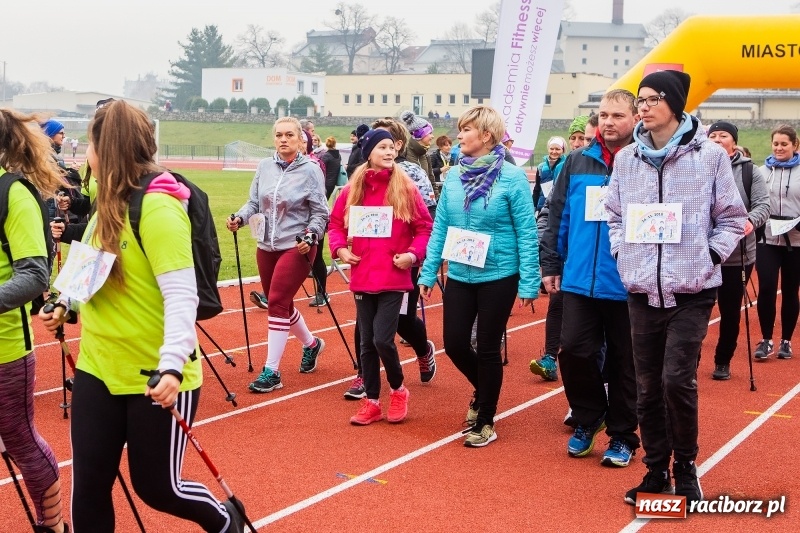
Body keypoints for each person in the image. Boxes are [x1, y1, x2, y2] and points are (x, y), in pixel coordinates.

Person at [39, 100, 245, 531]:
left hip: (157, 373)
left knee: (157, 488)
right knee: (90, 484)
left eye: (90, 145)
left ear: (105, 148)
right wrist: (63, 303)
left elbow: (181, 296)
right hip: (100, 368)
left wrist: (171, 364)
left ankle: (227, 523)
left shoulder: (157, 207)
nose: (84, 155)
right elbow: (87, 271)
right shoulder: (107, 204)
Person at [606, 70, 747, 505]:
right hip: (642, 287)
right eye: (640, 100)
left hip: (693, 287)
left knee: (675, 381)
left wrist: (710, 255)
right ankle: (655, 471)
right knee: (647, 385)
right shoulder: (628, 159)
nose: (643, 107)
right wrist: (621, 252)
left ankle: (685, 466)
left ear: (674, 103)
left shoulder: (709, 157)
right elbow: (613, 214)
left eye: (651, 100)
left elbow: (732, 217)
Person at [419, 105, 539, 447]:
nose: (459, 136)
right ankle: (484, 388)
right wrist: (429, 272)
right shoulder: (454, 175)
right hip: (459, 272)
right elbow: (441, 225)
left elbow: (527, 232)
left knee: (487, 348)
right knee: (455, 343)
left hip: (499, 275)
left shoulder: (513, 178)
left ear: (486, 135)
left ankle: (485, 417)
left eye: (465, 130)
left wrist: (529, 281)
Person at [539, 89, 641, 466]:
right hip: (580, 278)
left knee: (624, 362)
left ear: (635, 118)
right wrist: (550, 263)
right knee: (575, 351)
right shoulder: (577, 161)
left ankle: (623, 435)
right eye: (604, 115)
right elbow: (558, 213)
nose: (610, 122)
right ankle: (589, 415)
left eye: (618, 115)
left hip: (629, 281)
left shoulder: (644, 162)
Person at [329, 128, 433, 425]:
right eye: (382, 147)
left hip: (394, 277)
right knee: (366, 344)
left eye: (391, 147)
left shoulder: (405, 188)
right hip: (362, 276)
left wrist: (412, 254)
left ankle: (399, 389)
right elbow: (335, 224)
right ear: (369, 152)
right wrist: (340, 250)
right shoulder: (353, 189)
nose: (389, 152)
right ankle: (372, 401)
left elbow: (424, 227)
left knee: (383, 340)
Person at [0, 109, 69, 533]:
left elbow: (34, 275)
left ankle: (55, 526)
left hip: (5, 350)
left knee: (21, 442)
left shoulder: (13, 193)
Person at [228, 117, 329, 393]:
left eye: (289, 135)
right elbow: (253, 202)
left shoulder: (311, 170)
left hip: (297, 245)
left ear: (300, 139)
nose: (283, 140)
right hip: (266, 245)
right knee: (281, 303)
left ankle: (271, 371)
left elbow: (321, 211)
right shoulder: (264, 166)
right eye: (279, 135)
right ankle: (312, 344)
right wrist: (239, 217)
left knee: (275, 302)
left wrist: (311, 234)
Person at [706, 121, 769, 380]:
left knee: (730, 311)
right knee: (695, 310)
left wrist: (748, 222)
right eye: (713, 135)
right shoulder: (695, 167)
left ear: (734, 142)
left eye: (723, 135)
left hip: (736, 255)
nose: (718, 139)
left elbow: (763, 205)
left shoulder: (749, 172)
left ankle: (723, 360)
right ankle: (690, 360)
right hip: (700, 255)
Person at [754, 124, 800, 361]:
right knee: (767, 288)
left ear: (795, 145)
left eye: (784, 144)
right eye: (776, 143)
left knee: (791, 290)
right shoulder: (762, 172)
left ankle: (786, 341)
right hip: (768, 239)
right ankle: (766, 339)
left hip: (797, 241)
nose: (779, 148)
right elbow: (755, 203)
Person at [533, 136, 566, 213]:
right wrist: (534, 207)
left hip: (559, 208)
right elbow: (537, 189)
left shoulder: (566, 165)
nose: (554, 152)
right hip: (542, 208)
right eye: (551, 149)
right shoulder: (541, 167)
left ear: (563, 150)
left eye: (557, 149)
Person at [400, 110, 435, 182]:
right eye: (430, 133)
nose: (433, 136)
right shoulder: (403, 153)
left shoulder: (426, 155)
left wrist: (434, 193)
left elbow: (431, 181)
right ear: (420, 134)